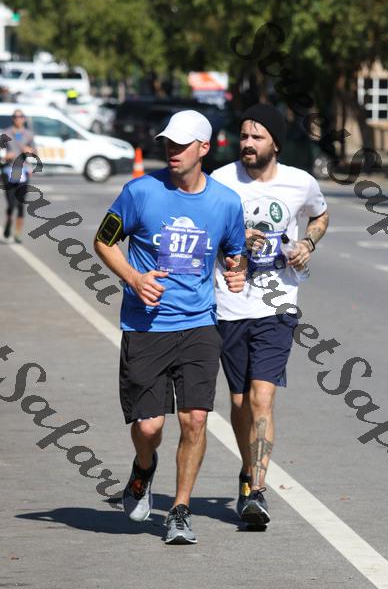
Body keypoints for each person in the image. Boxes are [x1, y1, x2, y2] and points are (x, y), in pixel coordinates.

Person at [94, 110, 247, 545]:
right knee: (149, 428)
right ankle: (143, 469)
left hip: (200, 324)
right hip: (146, 327)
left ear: (204, 148)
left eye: (182, 144)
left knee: (195, 419)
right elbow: (103, 240)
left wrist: (236, 271)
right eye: (168, 143)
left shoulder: (226, 202)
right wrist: (134, 278)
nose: (172, 151)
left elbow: (234, 253)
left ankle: (180, 509)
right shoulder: (140, 192)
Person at [211, 104, 329, 526]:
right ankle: (248, 472)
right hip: (228, 304)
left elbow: (320, 215)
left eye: (256, 137)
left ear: (275, 143)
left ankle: (257, 492)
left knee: (262, 397)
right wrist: (234, 238)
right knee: (239, 401)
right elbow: (203, 229)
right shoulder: (219, 181)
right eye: (244, 135)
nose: (247, 143)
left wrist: (307, 244)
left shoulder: (301, 182)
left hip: (277, 305)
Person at [2, 109, 36, 243]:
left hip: (23, 171)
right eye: (15, 117)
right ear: (13, 118)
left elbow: (36, 152)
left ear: (24, 119)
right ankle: (8, 223)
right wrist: (5, 156)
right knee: (11, 204)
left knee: (20, 204)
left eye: (21, 116)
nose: (18, 119)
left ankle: (17, 233)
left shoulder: (29, 134)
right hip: (8, 170)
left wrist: (30, 151)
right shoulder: (6, 133)